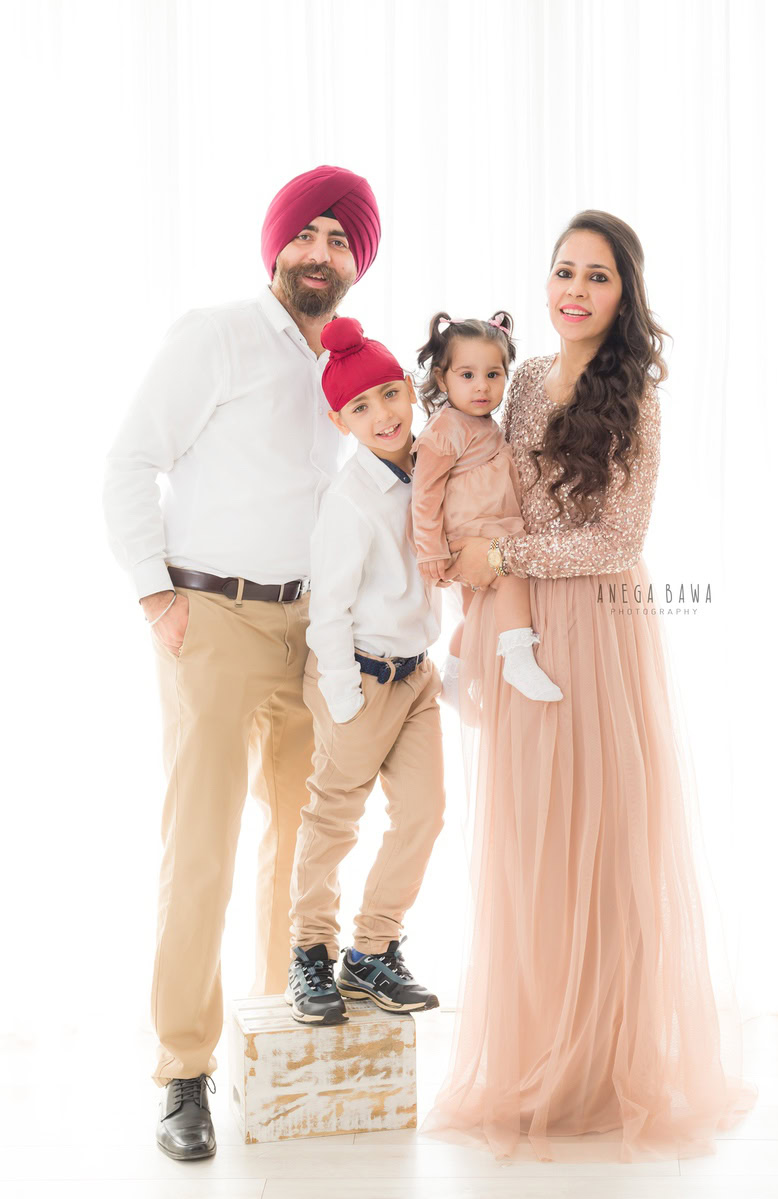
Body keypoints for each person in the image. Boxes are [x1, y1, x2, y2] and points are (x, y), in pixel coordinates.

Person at [422, 211, 758, 1162]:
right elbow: (487, 485)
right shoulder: (522, 378)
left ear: (624, 294)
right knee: (531, 839)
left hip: (602, 627)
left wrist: (503, 555)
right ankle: (540, 1056)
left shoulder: (636, 398)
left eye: (597, 276)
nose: (574, 289)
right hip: (521, 622)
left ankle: (606, 1064)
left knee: (606, 843)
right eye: (564, 270)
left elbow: (619, 538)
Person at [102, 165, 381, 1160]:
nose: (319, 253)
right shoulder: (215, 334)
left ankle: (276, 1048)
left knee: (302, 851)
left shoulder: (345, 365)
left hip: (312, 629)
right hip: (212, 618)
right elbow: (130, 461)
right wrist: (155, 594)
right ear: (275, 246)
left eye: (339, 240)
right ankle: (183, 1069)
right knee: (203, 848)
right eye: (306, 233)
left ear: (356, 263)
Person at [284, 316, 445, 1025]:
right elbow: (329, 610)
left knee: (424, 813)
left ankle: (372, 949)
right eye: (360, 407)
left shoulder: (432, 466)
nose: (382, 414)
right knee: (334, 819)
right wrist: (345, 698)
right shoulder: (350, 501)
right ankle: (310, 951)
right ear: (340, 422)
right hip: (359, 676)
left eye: (389, 394)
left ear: (409, 389)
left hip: (417, 678)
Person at [412, 310, 562, 704]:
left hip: (488, 530)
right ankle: (518, 657)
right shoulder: (445, 428)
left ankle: (454, 679)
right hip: (468, 538)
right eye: (467, 375)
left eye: (493, 375)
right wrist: (430, 550)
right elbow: (425, 493)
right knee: (511, 575)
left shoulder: (486, 424)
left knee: (478, 616)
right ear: (442, 379)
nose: (482, 386)